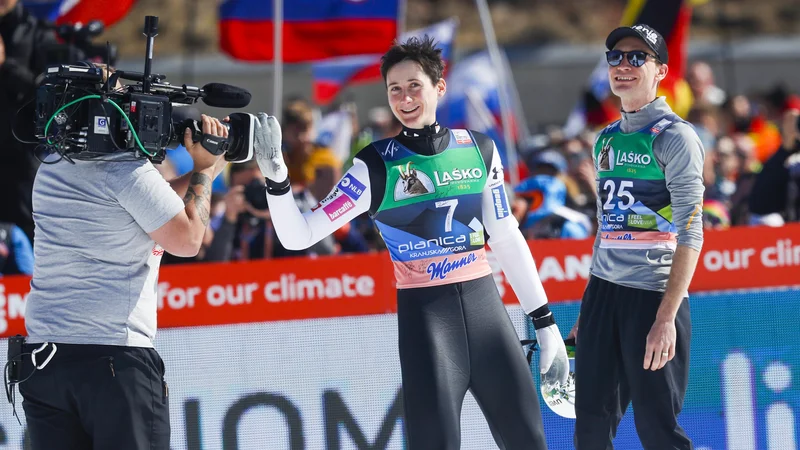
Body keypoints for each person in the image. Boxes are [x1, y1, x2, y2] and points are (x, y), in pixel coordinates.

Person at [252, 36, 569, 449]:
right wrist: (277, 179)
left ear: (439, 87)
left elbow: (506, 236)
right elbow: (300, 236)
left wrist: (545, 325)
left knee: (530, 441)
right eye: (394, 89)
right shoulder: (375, 165)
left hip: (489, 315)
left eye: (414, 85)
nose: (404, 97)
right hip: (428, 325)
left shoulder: (478, 149)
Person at [17, 110, 231, 449]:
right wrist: (205, 170)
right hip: (113, 359)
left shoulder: (53, 166)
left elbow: (142, 201)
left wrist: (203, 171)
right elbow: (189, 240)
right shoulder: (126, 169)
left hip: (46, 359)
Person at [568, 24, 705, 450]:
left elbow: (691, 231)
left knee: (657, 430)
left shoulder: (676, 137)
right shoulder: (605, 138)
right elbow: (607, 228)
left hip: (652, 296)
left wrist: (666, 319)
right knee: (589, 430)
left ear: (661, 69)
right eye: (616, 57)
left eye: (637, 57)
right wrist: (589, 309)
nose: (623, 65)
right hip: (603, 297)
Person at [0, 0, 59, 242]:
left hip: (20, 159)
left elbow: (49, 92)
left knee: (28, 232)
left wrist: (5, 65)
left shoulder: (38, 33)